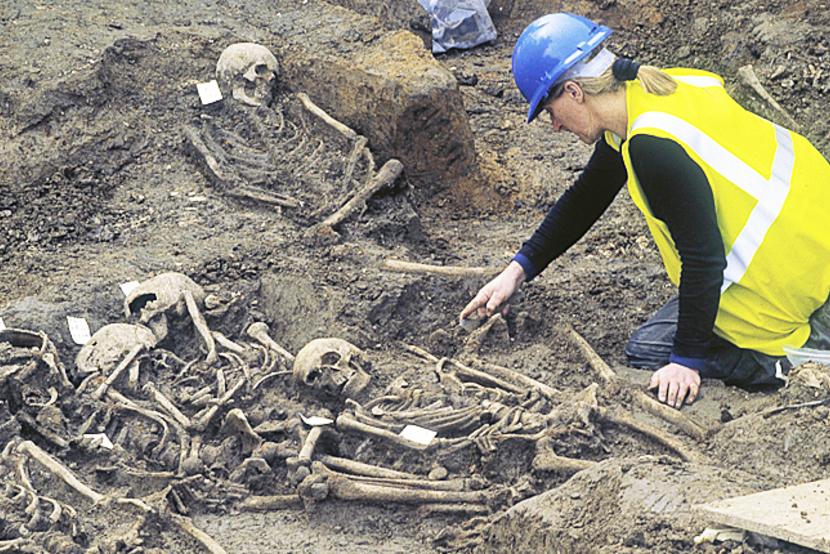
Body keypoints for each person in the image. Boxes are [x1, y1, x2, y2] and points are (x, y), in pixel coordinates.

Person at [459, 12, 830, 409]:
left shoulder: (652, 146)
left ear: (573, 92)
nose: (555, 127)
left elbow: (703, 258)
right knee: (657, 339)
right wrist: (518, 270)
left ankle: (788, 360)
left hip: (793, 286)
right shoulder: (657, 93)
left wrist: (685, 361)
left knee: (650, 350)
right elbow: (589, 194)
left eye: (549, 112)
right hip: (810, 235)